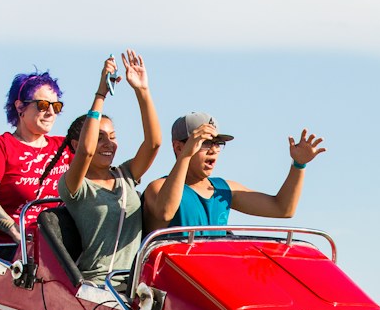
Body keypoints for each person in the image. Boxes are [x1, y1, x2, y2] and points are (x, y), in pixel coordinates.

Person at [56, 52, 162, 282]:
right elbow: (86, 151)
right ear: (76, 144)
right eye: (100, 137)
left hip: (133, 286)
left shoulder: (126, 175)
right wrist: (101, 93)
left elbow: (154, 143)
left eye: (112, 137)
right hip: (97, 286)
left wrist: (142, 91)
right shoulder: (75, 185)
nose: (109, 144)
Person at [142, 113, 326, 232]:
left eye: (218, 143)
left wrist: (298, 165)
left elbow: (283, 209)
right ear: (178, 147)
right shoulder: (157, 188)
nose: (213, 149)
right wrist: (186, 156)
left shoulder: (223, 189)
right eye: (205, 143)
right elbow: (165, 211)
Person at [0, 69, 69, 251]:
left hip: (54, 249)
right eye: (42, 105)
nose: (50, 113)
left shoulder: (65, 147)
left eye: (56, 107)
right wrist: (15, 231)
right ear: (20, 106)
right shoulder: (1, 145)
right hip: (7, 250)